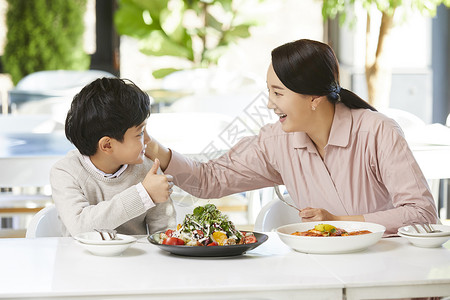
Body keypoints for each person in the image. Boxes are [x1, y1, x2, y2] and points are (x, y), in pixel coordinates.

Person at [146, 39, 438, 235]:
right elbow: (211, 179)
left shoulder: (377, 131)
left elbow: (422, 214)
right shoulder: (277, 141)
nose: (269, 103)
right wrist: (154, 148)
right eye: (269, 91)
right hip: (319, 272)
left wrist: (340, 224)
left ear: (314, 97)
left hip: (387, 270)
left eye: (278, 93)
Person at [50, 77, 176, 237]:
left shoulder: (149, 171)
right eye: (140, 133)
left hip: (138, 260)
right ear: (107, 145)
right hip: (82, 260)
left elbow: (165, 236)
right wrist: (143, 194)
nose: (149, 140)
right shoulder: (65, 172)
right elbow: (80, 227)